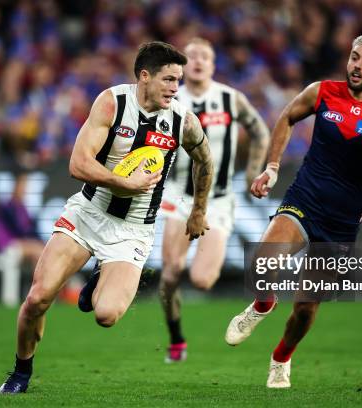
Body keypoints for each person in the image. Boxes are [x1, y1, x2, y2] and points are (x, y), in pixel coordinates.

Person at [0, 41, 214, 394]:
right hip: (88, 214)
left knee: (107, 316)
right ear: (144, 76)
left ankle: (98, 280)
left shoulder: (182, 120)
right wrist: (123, 182)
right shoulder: (113, 103)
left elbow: (205, 159)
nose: (176, 88)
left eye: (179, 81)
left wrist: (199, 210)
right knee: (37, 299)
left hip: (133, 230)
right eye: (169, 79)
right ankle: (20, 373)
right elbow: (77, 164)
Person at [224, 32, 362, 388]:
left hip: (342, 222)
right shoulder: (322, 91)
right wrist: (273, 167)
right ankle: (263, 304)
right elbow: (287, 117)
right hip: (304, 199)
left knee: (306, 307)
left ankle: (281, 358)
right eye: (354, 57)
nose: (357, 65)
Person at [157, 37, 270, 363]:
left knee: (203, 280)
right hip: (178, 195)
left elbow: (260, 130)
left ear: (213, 63)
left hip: (218, 199)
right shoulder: (170, 97)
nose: (198, 61)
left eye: (205, 56)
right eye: (191, 56)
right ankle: (176, 338)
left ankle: (198, 268)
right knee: (170, 273)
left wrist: (253, 172)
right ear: (182, 64)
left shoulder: (229, 98)